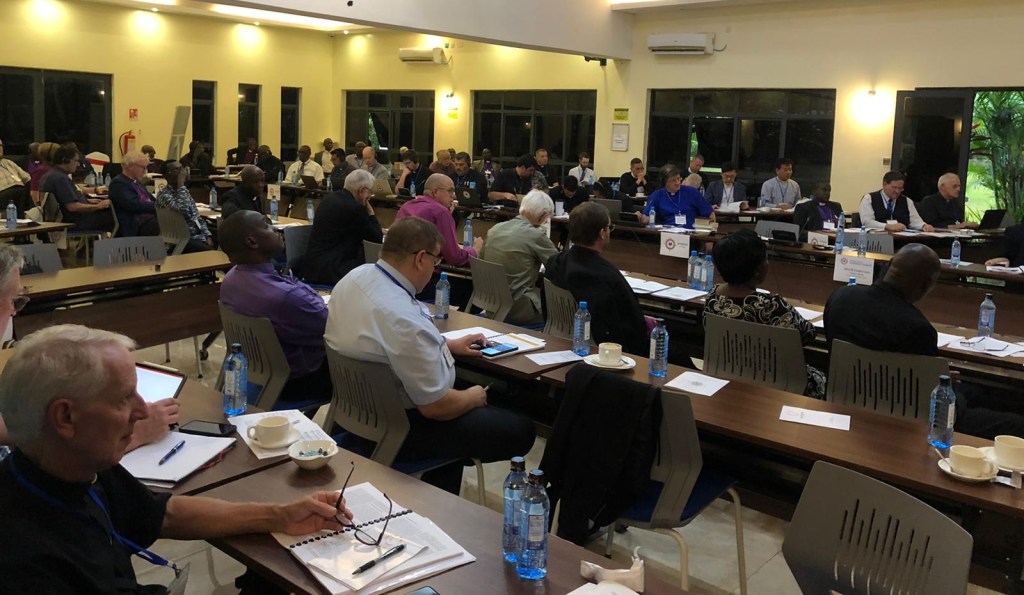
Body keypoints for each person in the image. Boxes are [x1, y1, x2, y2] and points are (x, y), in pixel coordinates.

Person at [0, 324, 351, 593]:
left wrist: (280, 515)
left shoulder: (75, 466)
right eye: (123, 399)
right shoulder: (26, 564)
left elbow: (164, 513)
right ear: (65, 418)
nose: (142, 411)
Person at [325, 217, 535, 494]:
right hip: (405, 425)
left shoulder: (354, 278)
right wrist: (473, 397)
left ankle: (440, 482)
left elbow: (382, 342)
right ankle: (437, 484)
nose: (435, 269)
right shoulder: (402, 317)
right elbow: (436, 407)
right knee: (520, 429)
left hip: (360, 410)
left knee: (473, 407)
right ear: (421, 259)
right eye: (436, 261)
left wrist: (446, 344)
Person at [824, 243, 1024, 438]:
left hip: (845, 399)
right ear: (927, 285)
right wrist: (944, 383)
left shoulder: (840, 297)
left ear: (889, 265)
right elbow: (928, 396)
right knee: (1014, 422)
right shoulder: (917, 327)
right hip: (908, 417)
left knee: (974, 393)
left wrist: (935, 374)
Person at [219, 211, 333, 404]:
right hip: (297, 382)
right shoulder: (286, 297)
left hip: (259, 371)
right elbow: (331, 327)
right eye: (267, 225)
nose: (276, 229)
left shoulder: (231, 279)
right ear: (252, 242)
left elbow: (291, 284)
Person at [703, 229, 826, 398]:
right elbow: (807, 334)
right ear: (756, 270)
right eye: (766, 258)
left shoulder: (712, 296)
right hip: (779, 382)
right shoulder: (772, 305)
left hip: (729, 374)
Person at [546, 201, 648, 355]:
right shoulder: (606, 277)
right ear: (602, 233)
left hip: (560, 339)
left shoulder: (555, 262)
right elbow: (631, 325)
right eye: (609, 227)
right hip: (606, 351)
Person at [480, 190, 559, 325]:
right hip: (520, 309)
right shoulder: (535, 235)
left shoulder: (495, 229)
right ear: (543, 216)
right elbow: (558, 266)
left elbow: (481, 259)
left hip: (492, 304)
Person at [302, 169, 383, 285]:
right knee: (375, 269)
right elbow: (376, 238)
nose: (370, 196)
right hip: (333, 269)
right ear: (362, 190)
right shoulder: (354, 208)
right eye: (369, 192)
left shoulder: (330, 198)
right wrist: (371, 213)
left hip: (312, 265)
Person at [396, 173, 481, 266]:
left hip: (399, 266)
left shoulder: (407, 206)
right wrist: (474, 250)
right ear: (435, 192)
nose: (453, 196)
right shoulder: (441, 212)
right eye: (450, 191)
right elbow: (454, 257)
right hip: (423, 270)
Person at [39, 145, 115, 233]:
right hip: (75, 221)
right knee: (118, 216)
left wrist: (87, 201)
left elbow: (64, 201)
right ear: (65, 160)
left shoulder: (51, 175)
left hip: (67, 218)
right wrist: (98, 206)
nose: (78, 164)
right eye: (76, 161)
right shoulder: (61, 179)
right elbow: (72, 207)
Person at [156, 160, 214, 253]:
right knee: (212, 253)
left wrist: (207, 235)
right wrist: (181, 185)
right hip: (180, 240)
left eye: (182, 169)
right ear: (166, 175)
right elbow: (183, 212)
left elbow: (196, 216)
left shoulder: (184, 192)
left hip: (198, 237)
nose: (181, 173)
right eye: (176, 170)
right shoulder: (164, 195)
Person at [636, 165, 713, 228]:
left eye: (678, 178)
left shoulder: (692, 192)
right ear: (665, 182)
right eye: (673, 180)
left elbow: (710, 214)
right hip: (666, 234)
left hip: (690, 235)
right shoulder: (657, 195)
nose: (677, 182)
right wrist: (639, 217)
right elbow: (647, 218)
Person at [858, 170, 934, 232]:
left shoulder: (907, 201)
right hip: (877, 239)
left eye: (900, 188)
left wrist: (924, 225)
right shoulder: (869, 198)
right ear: (884, 184)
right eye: (894, 187)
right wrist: (887, 226)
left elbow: (915, 220)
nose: (897, 191)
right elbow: (867, 222)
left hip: (902, 239)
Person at [108, 150, 158, 237]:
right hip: (135, 223)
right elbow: (133, 205)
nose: (145, 171)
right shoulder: (119, 183)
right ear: (130, 166)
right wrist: (158, 206)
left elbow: (151, 200)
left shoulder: (136, 182)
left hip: (147, 219)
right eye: (143, 167)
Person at [0, 138, 32, 217]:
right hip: (2, 194)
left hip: (19, 192)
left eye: (0, 146)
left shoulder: (8, 162)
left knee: (28, 188)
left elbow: (27, 178)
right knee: (19, 191)